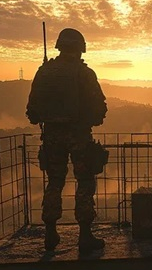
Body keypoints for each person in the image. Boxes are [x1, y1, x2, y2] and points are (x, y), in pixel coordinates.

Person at [26, 28, 108, 253]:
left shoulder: (44, 72)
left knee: (54, 181)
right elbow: (99, 108)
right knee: (84, 181)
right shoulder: (84, 73)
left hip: (52, 136)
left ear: (60, 47)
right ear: (80, 49)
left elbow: (32, 110)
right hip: (79, 134)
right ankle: (84, 235)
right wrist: (89, 119)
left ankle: (50, 233)